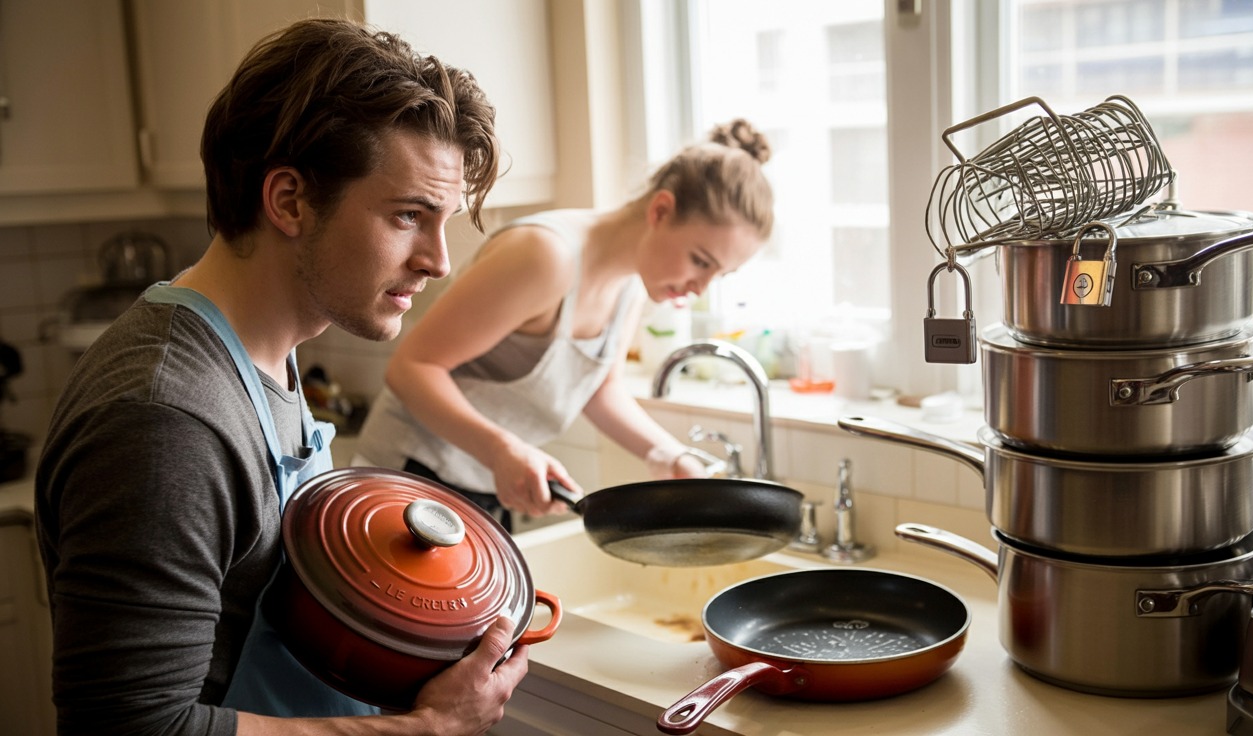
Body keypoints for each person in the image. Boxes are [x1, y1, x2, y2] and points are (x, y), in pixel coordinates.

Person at [34, 18, 527, 735]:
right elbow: (130, 727)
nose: (438, 260)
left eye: (444, 220)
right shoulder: (164, 419)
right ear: (290, 201)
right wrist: (424, 730)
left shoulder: (267, 347)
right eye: (408, 216)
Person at [353, 120, 774, 527]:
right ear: (661, 210)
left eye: (719, 274)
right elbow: (411, 369)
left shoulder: (630, 283)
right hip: (406, 479)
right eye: (701, 261)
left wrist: (671, 456)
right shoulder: (545, 255)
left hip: (480, 488)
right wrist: (504, 452)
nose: (701, 287)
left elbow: (600, 388)